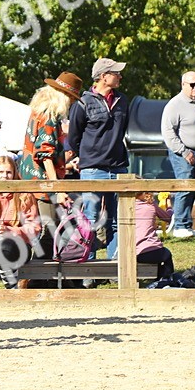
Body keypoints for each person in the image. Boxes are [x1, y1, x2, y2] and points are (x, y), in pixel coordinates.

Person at [67, 58, 130, 259]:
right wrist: (87, 157)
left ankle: (116, 267)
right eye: (116, 73)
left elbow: (123, 131)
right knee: (90, 220)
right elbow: (73, 138)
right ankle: (88, 268)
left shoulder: (123, 101)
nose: (120, 76)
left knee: (117, 220)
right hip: (93, 169)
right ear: (103, 76)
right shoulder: (82, 103)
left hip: (119, 168)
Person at [19, 71, 82, 228]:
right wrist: (58, 189)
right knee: (48, 232)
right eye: (72, 98)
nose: (72, 102)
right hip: (43, 184)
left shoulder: (37, 112)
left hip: (27, 177)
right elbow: (45, 155)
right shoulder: (50, 118)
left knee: (35, 230)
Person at [0, 155, 42, 289]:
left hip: (18, 244)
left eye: (8, 172)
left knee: (4, 245)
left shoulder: (24, 195)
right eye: (1, 172)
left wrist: (9, 230)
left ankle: (11, 287)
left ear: (14, 173)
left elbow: (34, 228)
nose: (5, 176)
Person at [160, 70, 195, 238]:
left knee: (193, 189)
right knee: (185, 188)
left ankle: (186, 225)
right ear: (183, 85)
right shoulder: (175, 105)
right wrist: (183, 152)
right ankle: (180, 226)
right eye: (192, 84)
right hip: (183, 153)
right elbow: (168, 132)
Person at [134, 191, 175, 281]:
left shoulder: (127, 207)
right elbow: (168, 217)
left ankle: (160, 279)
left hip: (133, 253)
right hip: (151, 249)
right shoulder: (151, 205)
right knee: (167, 254)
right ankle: (169, 279)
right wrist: (168, 204)